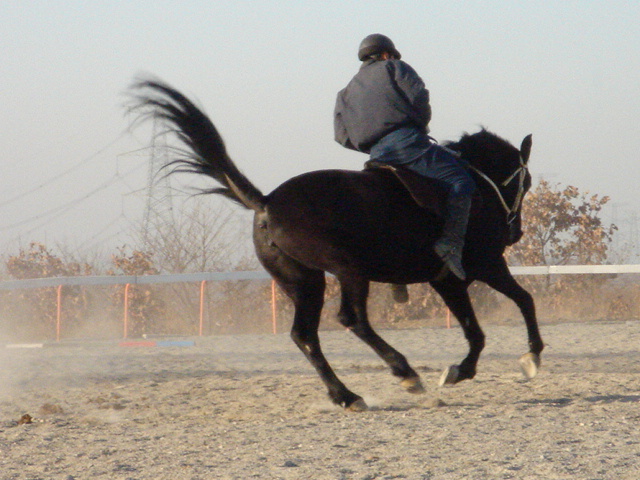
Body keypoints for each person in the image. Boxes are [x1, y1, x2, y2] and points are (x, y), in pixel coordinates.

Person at [334, 33, 475, 280]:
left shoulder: (344, 92)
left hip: (376, 154)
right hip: (407, 144)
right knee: (462, 181)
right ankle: (450, 245)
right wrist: (418, 125)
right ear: (387, 54)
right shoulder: (394, 67)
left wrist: (369, 144)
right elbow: (418, 96)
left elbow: (341, 135)